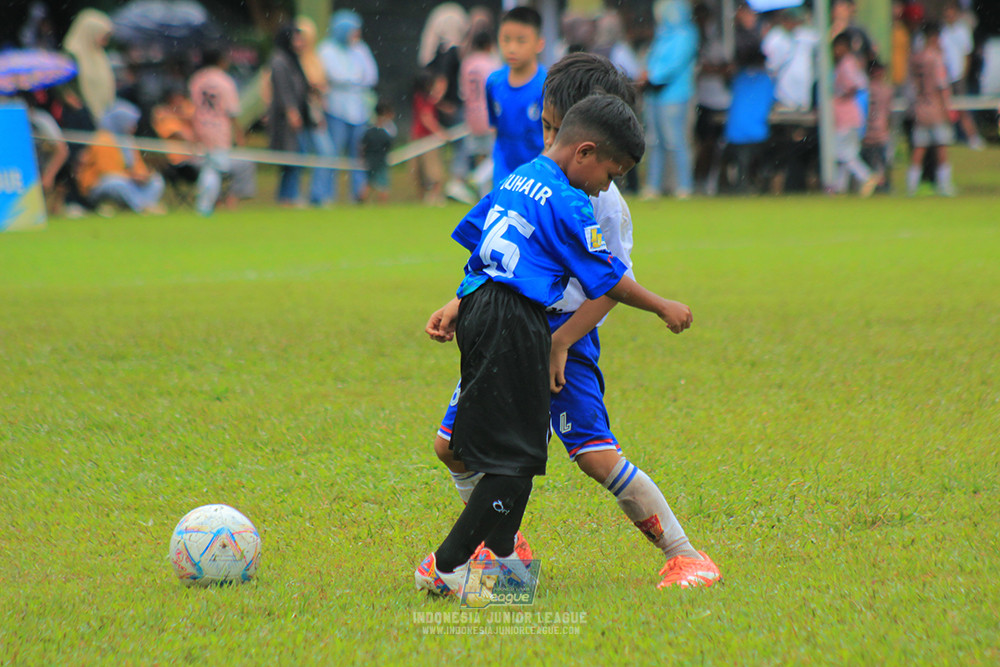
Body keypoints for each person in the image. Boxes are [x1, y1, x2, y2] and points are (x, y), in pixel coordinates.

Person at [430, 53, 722, 591]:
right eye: (544, 127)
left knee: (594, 455)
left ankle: (686, 555)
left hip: (565, 338)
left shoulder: (598, 199)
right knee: (453, 446)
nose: (546, 139)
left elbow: (610, 285)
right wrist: (458, 302)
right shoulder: (535, 177)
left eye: (553, 128)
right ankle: (501, 547)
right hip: (509, 329)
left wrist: (561, 341)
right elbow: (498, 252)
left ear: (587, 136)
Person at [640, 0, 699, 200]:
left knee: (676, 141)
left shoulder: (686, 34)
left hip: (675, 95)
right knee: (654, 142)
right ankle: (653, 185)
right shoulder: (663, 34)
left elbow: (675, 63)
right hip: (654, 95)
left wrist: (653, 76)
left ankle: (684, 185)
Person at [319, 10, 378, 204]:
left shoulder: (361, 48)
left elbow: (371, 75)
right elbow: (335, 75)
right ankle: (326, 195)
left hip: (359, 111)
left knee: (359, 155)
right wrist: (355, 79)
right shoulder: (327, 49)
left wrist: (353, 80)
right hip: (336, 110)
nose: (356, 34)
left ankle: (358, 195)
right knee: (332, 154)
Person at [485, 6, 547, 190]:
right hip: (503, 173)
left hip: (537, 173)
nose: (511, 48)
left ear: (539, 44)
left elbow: (554, 138)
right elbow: (495, 128)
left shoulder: (548, 85)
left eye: (521, 41)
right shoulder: (493, 83)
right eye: (506, 40)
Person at [74, 100, 165, 215]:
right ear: (120, 121)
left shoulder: (127, 140)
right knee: (117, 182)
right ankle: (141, 207)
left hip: (129, 180)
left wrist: (143, 176)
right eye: (130, 123)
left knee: (156, 181)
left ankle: (146, 204)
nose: (134, 127)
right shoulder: (102, 139)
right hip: (99, 184)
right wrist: (132, 176)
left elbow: (138, 165)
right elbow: (107, 171)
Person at [188, 48, 247, 216]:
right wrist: (239, 134)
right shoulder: (225, 80)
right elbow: (232, 111)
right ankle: (205, 206)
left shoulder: (196, 79)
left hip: (200, 126)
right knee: (214, 168)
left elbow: (192, 106)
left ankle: (206, 203)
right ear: (220, 61)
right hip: (219, 129)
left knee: (208, 166)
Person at [907, 23, 956, 197]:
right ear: (934, 37)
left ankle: (911, 186)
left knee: (919, 148)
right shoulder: (936, 58)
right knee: (941, 147)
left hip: (920, 107)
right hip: (935, 108)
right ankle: (945, 185)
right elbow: (941, 86)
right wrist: (947, 109)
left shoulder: (916, 57)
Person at [268, 23, 312, 207]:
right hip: (284, 120)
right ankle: (287, 197)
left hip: (297, 115)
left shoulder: (292, 58)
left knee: (296, 159)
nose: (300, 43)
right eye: (296, 39)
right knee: (291, 159)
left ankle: (289, 196)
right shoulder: (279, 60)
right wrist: (292, 112)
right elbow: (283, 89)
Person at [296, 16, 337, 206]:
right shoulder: (290, 59)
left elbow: (321, 83)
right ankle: (294, 196)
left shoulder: (314, 58)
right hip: (298, 114)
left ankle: (318, 195)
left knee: (326, 153)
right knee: (298, 157)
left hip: (315, 113)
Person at [722, 47, 774, 193]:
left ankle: (740, 183)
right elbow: (773, 100)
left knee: (741, 159)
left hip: (734, 133)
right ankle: (763, 183)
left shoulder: (738, 78)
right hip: (757, 133)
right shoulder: (766, 80)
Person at [832, 32, 877, 196]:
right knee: (846, 153)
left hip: (846, 115)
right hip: (847, 114)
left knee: (841, 153)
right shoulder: (847, 62)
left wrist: (843, 93)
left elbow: (859, 83)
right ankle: (839, 188)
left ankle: (866, 176)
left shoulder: (847, 63)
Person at [458, 28, 501, 199]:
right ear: (489, 45)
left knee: (479, 155)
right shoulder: (491, 63)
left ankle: (481, 194)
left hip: (471, 114)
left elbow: (463, 91)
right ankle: (479, 181)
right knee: (495, 155)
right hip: (489, 114)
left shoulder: (467, 63)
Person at [940, 1, 983, 149]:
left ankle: (973, 138)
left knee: (963, 109)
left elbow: (967, 54)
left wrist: (963, 74)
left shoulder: (962, 30)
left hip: (958, 76)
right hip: (944, 76)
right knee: (945, 108)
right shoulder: (942, 31)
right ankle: (948, 137)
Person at [62, 8, 115, 124]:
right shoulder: (71, 54)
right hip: (79, 115)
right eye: (103, 36)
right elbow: (63, 84)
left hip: (100, 115)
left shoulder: (100, 55)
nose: (105, 41)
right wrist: (69, 98)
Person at [411, 68, 450, 205]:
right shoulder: (422, 99)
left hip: (418, 137)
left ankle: (430, 196)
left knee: (422, 171)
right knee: (432, 171)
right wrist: (440, 132)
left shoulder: (421, 98)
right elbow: (426, 118)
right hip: (426, 139)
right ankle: (433, 196)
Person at [861, 60, 893, 193]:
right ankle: (880, 186)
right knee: (882, 163)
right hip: (879, 132)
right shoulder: (884, 90)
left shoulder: (866, 88)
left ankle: (876, 186)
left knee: (873, 163)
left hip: (870, 132)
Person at [360, 100, 396, 204]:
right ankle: (382, 205)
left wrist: (363, 157)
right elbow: (389, 145)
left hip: (370, 161)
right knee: (384, 185)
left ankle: (360, 201)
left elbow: (362, 145)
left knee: (369, 182)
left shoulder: (369, 130)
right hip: (381, 161)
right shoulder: (386, 132)